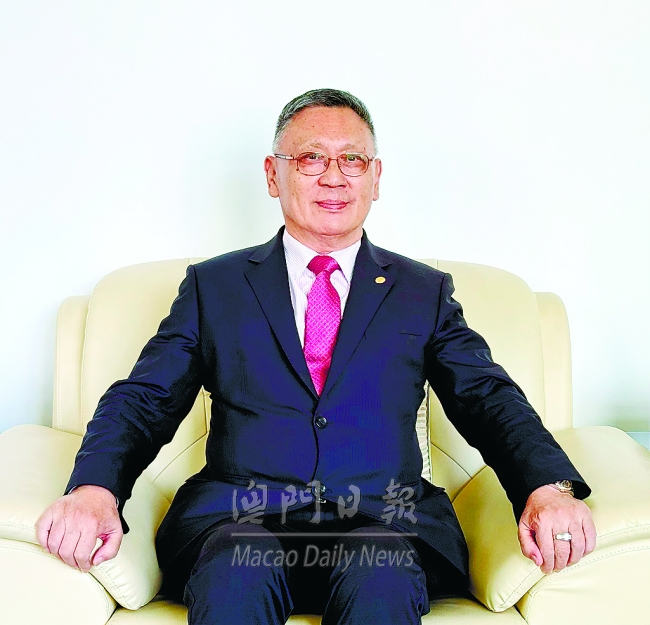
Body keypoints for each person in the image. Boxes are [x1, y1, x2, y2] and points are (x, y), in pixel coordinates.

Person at [36, 89, 596, 624]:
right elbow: (145, 399)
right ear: (272, 173)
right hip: (240, 522)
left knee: (379, 567)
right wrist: (94, 489)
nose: (334, 176)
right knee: (236, 568)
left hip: (383, 520)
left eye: (353, 159)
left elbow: (486, 397)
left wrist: (546, 488)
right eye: (311, 158)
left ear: (376, 177)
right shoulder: (216, 287)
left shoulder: (422, 292)